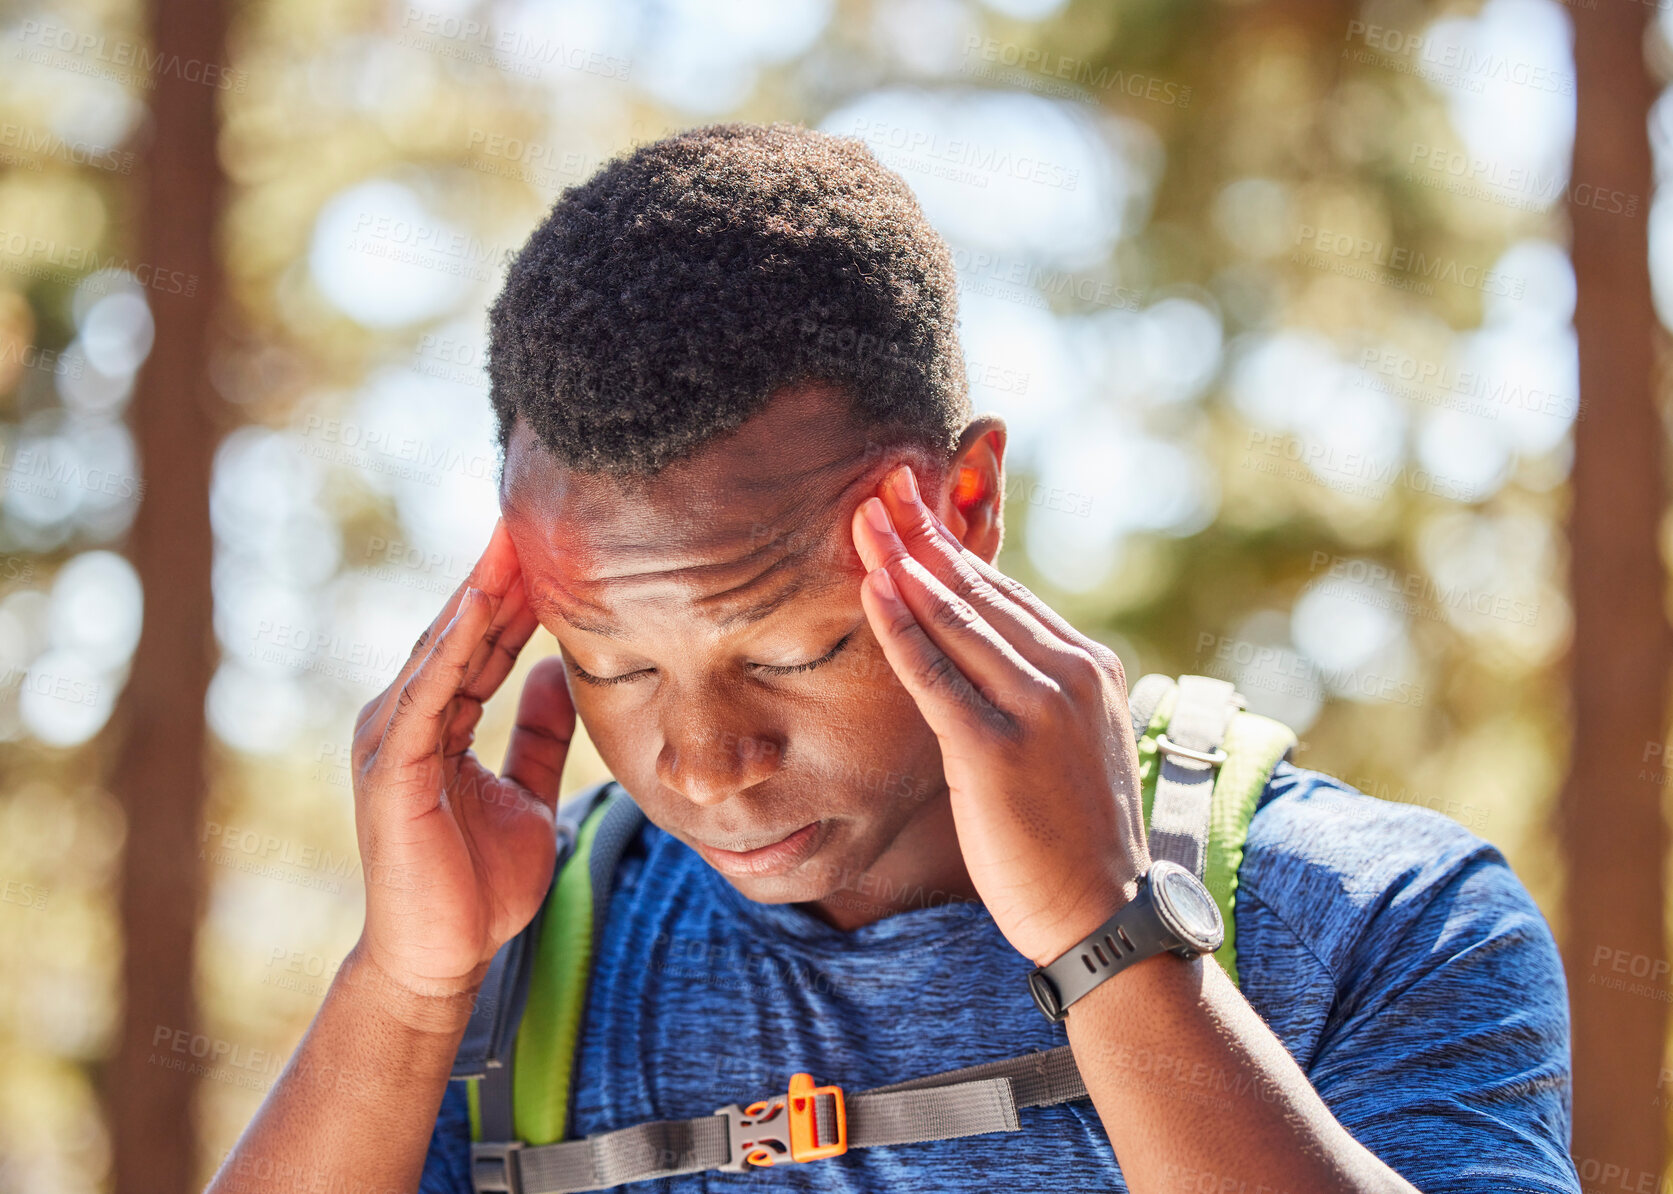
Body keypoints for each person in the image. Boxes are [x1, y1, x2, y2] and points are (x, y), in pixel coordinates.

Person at [208, 122, 1579, 1194]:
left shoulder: (1367, 915)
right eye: (613, 664)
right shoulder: (508, 979)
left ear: (965, 508)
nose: (704, 761)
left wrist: (1110, 943)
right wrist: (402, 991)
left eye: (795, 648)